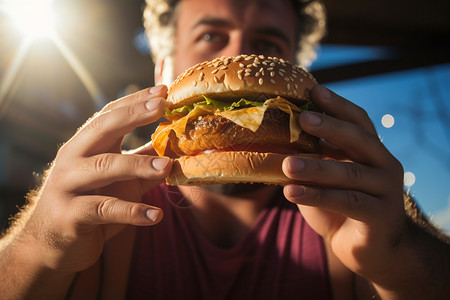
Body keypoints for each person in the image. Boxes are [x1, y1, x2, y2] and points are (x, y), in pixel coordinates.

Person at [0, 0, 449, 299]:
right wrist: (37, 247)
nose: (240, 55)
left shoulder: (351, 222)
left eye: (269, 45)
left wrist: (402, 251)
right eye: (212, 37)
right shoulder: (107, 214)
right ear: (164, 68)